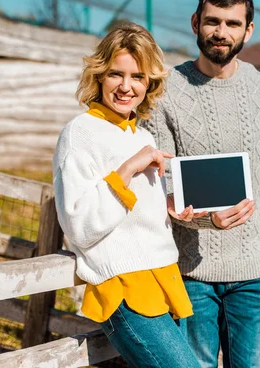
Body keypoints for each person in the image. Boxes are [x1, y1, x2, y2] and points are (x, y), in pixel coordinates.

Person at [140, 0, 260, 368]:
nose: (221, 32)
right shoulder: (164, 92)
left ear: (248, 30)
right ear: (195, 23)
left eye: (233, 24)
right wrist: (207, 221)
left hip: (256, 276)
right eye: (213, 21)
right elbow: (163, 187)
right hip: (190, 275)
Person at [52, 23, 200, 367]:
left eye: (137, 77)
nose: (126, 86)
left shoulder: (140, 136)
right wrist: (128, 169)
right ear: (99, 75)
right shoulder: (79, 134)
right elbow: (78, 224)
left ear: (150, 83)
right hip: (124, 288)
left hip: (164, 279)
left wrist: (166, 208)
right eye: (116, 74)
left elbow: (131, 212)